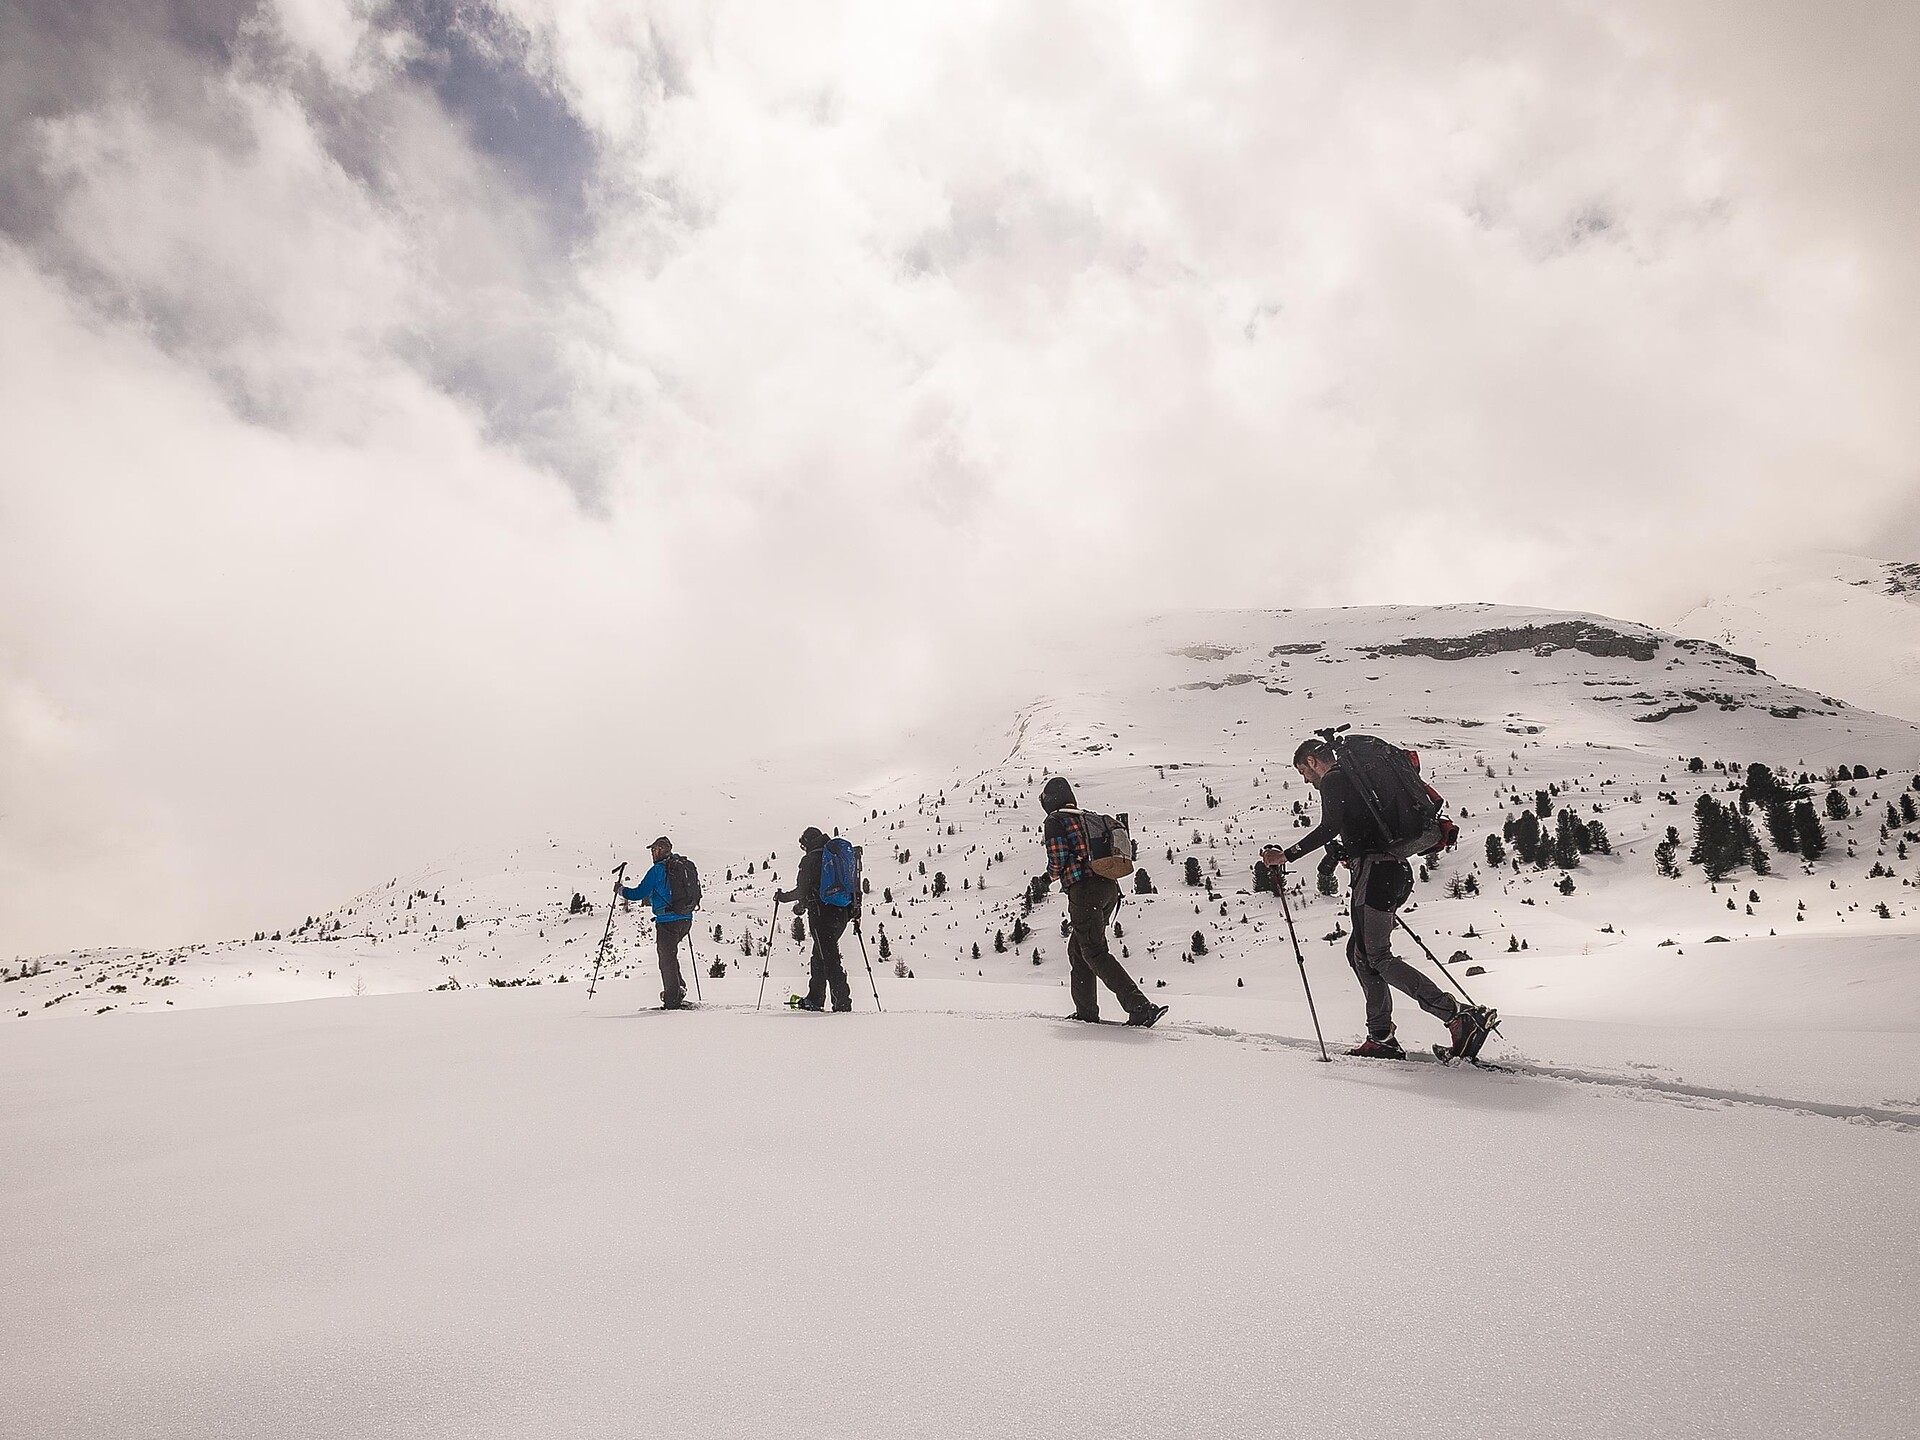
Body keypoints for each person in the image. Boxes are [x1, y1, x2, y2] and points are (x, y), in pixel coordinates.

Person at [1261, 738, 1491, 1058]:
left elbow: (1329, 827)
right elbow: (1358, 830)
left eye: (1303, 770)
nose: (1305, 779)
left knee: (1376, 957)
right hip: (1390, 872)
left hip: (1375, 875)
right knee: (1360, 954)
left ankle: (1456, 1016)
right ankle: (1381, 1036)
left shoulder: (1335, 778)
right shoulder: (1355, 782)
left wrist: (1286, 855)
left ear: (1313, 761)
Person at [1037, 777, 1167, 1027]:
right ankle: (1085, 1013)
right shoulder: (1088, 817)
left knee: (1093, 951)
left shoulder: (1055, 820)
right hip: (1109, 888)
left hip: (1085, 891)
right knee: (1079, 949)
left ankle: (1139, 1006)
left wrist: (1048, 878)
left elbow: (1058, 857)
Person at [774, 827, 856, 1012]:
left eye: (803, 844)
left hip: (821, 914)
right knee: (820, 957)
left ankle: (842, 1002)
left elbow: (802, 890)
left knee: (829, 958)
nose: (803, 848)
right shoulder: (834, 855)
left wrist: (783, 898)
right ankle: (815, 999)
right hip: (842, 912)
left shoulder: (810, 859)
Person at [618, 836, 694, 1010]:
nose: (652, 853)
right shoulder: (682, 865)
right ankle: (678, 989)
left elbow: (638, 893)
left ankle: (672, 1000)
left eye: (654, 850)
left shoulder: (657, 870)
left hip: (667, 921)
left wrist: (621, 890)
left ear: (662, 850)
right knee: (670, 955)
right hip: (686, 919)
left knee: (666, 960)